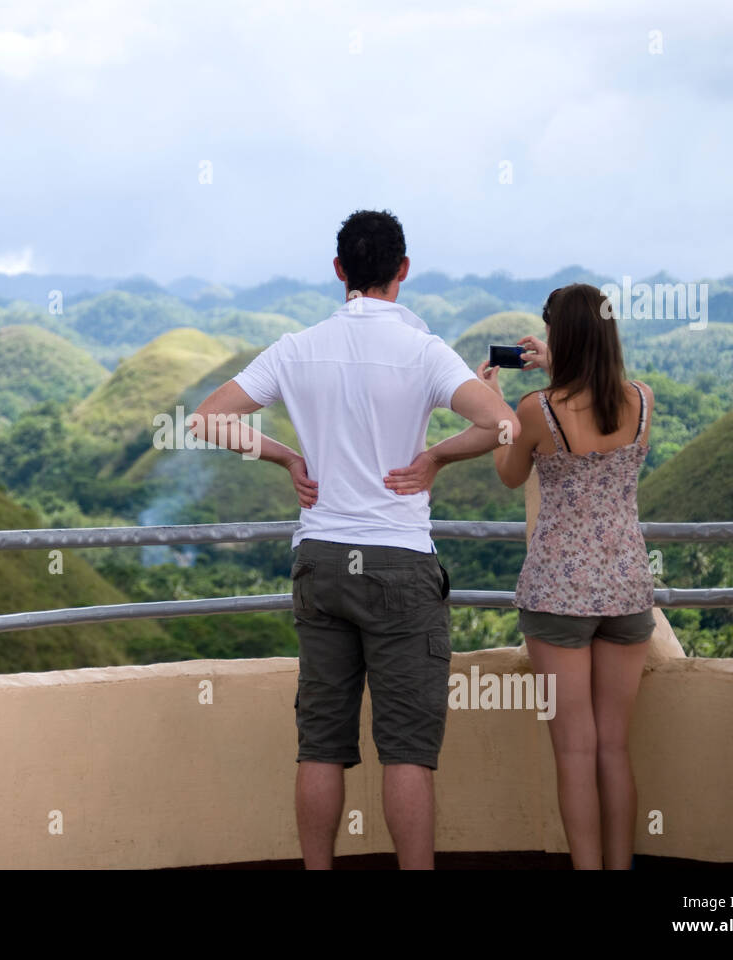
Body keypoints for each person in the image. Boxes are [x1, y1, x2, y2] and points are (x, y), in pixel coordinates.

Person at [190, 210, 516, 869]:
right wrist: (436, 459)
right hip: (399, 563)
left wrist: (285, 457)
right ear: (403, 270)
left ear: (339, 271)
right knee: (407, 753)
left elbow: (208, 419)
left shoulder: (296, 346)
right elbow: (502, 425)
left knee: (320, 745)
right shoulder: (424, 351)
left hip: (322, 561)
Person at [485, 283, 655, 869]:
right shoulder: (642, 400)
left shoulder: (538, 409)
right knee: (614, 749)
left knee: (575, 753)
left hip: (557, 595)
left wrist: (498, 406)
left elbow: (511, 474)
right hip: (628, 590)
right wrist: (565, 362)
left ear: (562, 337)